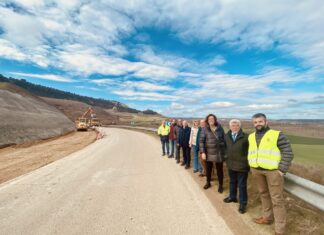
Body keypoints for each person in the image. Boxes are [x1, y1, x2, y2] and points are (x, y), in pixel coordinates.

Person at [248, 113, 293, 235]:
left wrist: (281, 170)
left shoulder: (277, 134)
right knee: (263, 194)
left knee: (277, 200)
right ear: (253, 124)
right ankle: (267, 218)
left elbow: (288, 152)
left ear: (266, 122)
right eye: (255, 122)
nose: (258, 124)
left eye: (260, 121)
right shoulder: (251, 136)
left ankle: (280, 230)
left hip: (272, 172)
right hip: (257, 170)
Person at [224, 119, 249, 214]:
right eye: (233, 125)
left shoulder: (246, 137)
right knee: (232, 182)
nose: (235, 127)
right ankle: (232, 197)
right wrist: (225, 157)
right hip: (230, 164)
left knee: (242, 185)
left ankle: (243, 204)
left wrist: (246, 161)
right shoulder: (227, 136)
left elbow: (250, 151)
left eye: (237, 125)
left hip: (242, 165)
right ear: (230, 126)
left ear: (240, 126)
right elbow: (224, 148)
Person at [199, 114, 226, 193]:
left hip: (218, 152)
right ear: (207, 120)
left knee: (219, 170)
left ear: (215, 119)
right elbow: (201, 141)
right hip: (208, 152)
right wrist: (203, 152)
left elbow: (224, 139)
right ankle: (208, 182)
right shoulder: (204, 129)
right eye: (209, 119)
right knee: (208, 169)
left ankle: (220, 185)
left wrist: (224, 149)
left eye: (212, 118)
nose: (211, 120)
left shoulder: (220, 128)